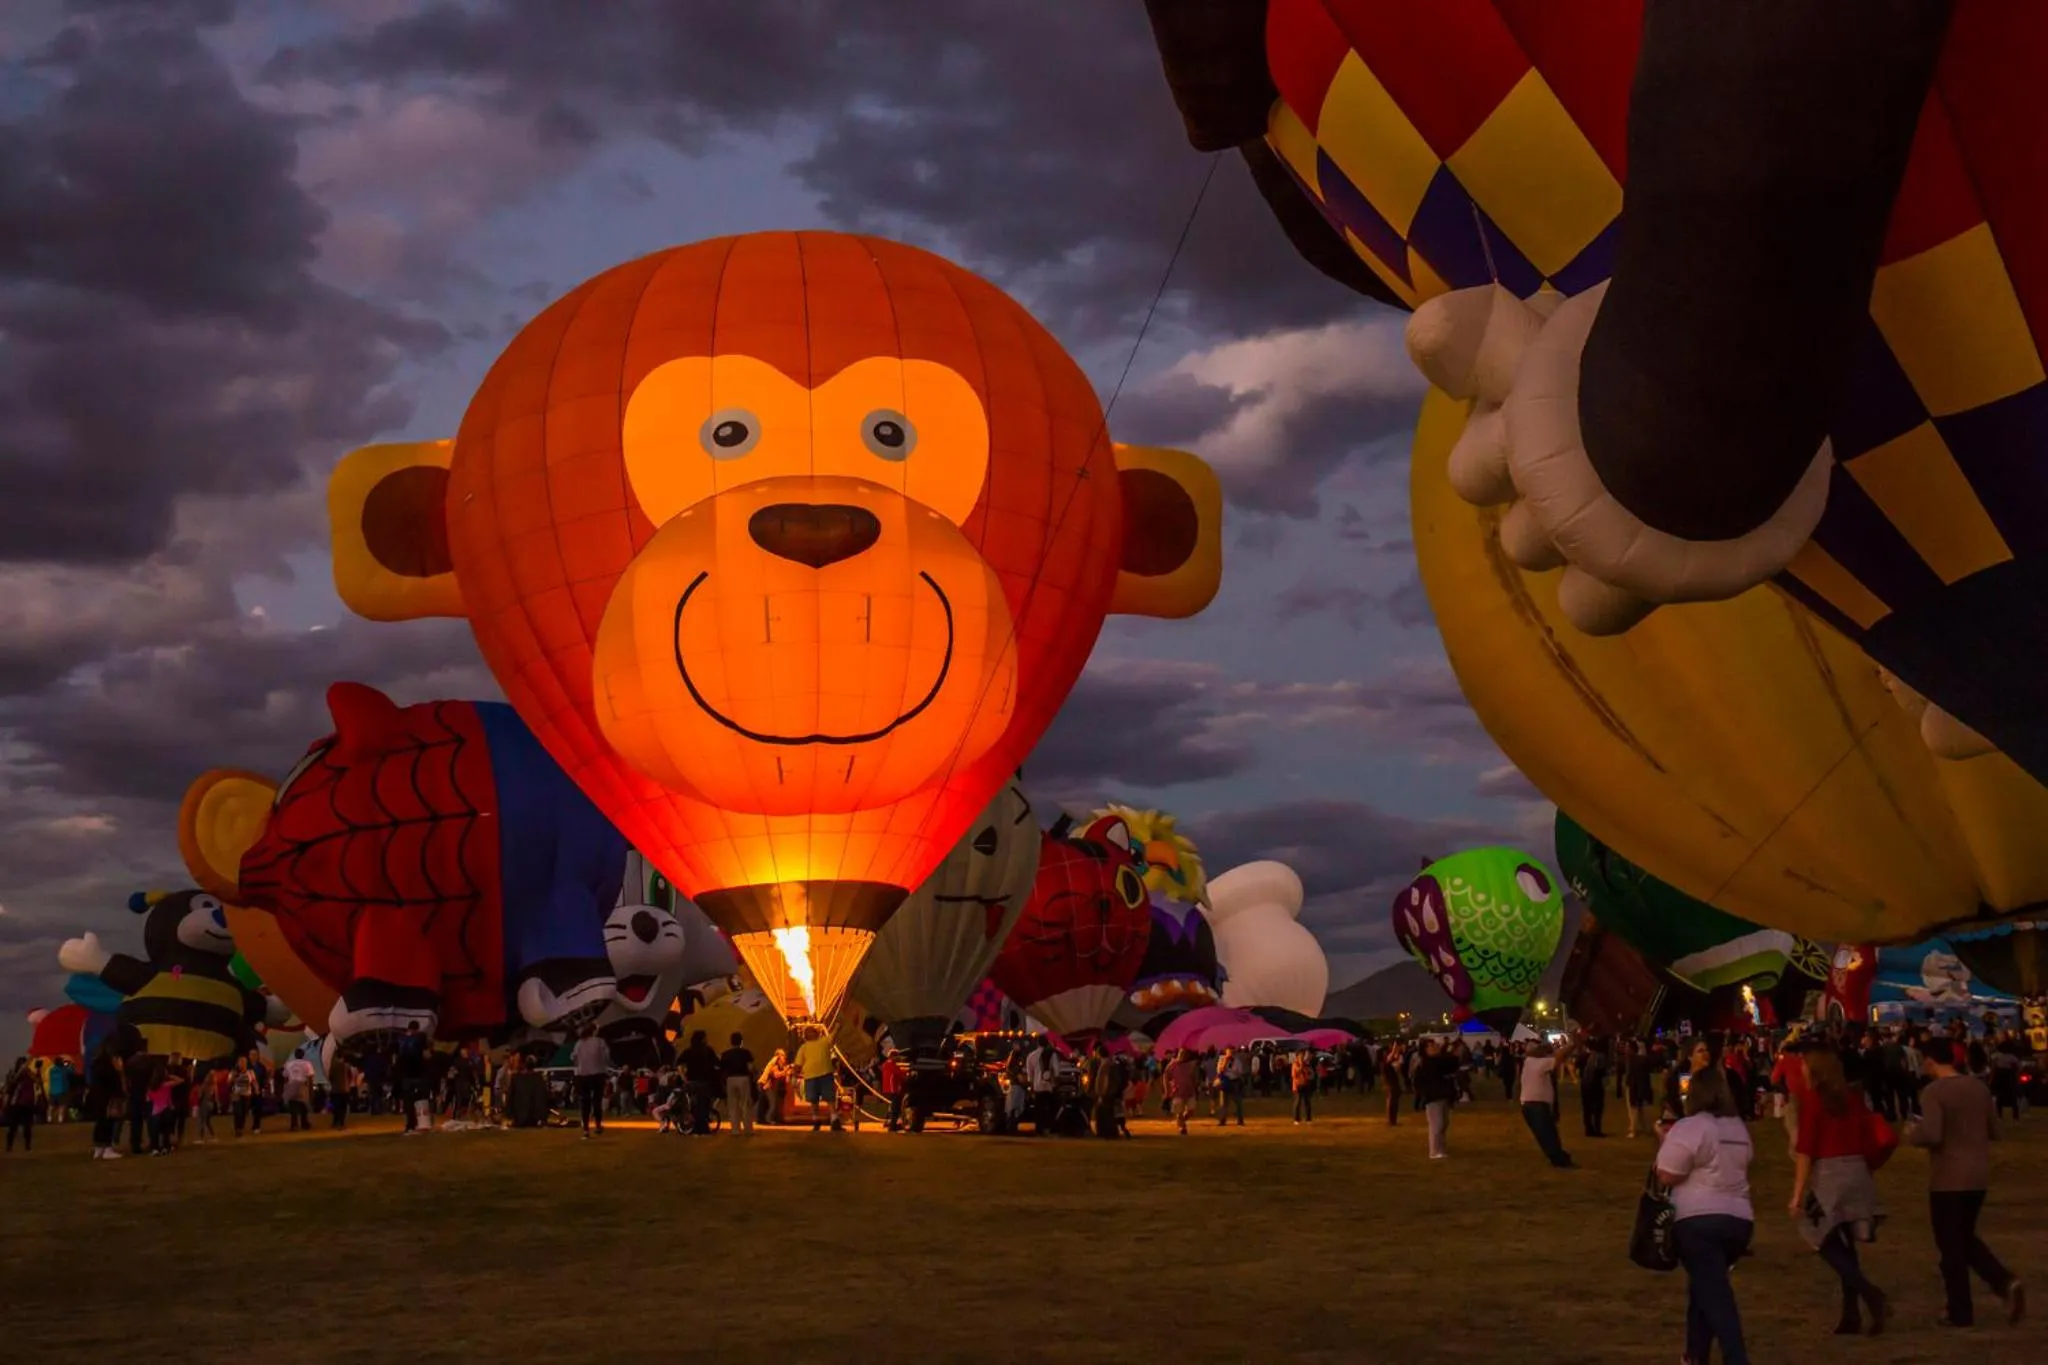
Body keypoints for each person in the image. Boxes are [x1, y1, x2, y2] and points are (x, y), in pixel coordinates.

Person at [1910, 1037, 2025, 1328]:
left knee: (1951, 1246)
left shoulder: (1934, 1092)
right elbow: (1996, 1130)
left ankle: (1961, 1309)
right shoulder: (1978, 1087)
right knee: (1963, 1238)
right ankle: (2002, 1283)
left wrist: (1913, 1133)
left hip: (1948, 1177)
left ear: (1931, 1061)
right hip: (1977, 1175)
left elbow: (1933, 1134)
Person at [1656, 1065, 1755, 1365]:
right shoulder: (1738, 1128)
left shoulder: (1692, 1127)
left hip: (1698, 1219)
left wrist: (1664, 1140)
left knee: (1715, 1296)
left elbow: (1667, 1174)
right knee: (1704, 1287)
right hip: (1738, 1218)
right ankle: (1694, 1355)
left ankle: (1736, 1358)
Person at [1789, 1047, 1890, 1336]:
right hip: (1858, 1170)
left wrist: (1797, 1195)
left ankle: (1870, 1294)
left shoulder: (1813, 1101)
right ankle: (1851, 1314)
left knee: (1819, 1234)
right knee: (1846, 1243)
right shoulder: (1853, 1098)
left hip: (1831, 1174)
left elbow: (1806, 1150)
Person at [1519, 1038, 1576, 1169]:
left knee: (1544, 1135)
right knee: (1549, 1134)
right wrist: (1572, 1044)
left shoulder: (1529, 1062)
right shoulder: (1537, 1063)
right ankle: (1559, 1160)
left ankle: (1557, 1157)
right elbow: (1559, 1057)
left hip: (1530, 1105)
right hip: (1536, 1106)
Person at [1415, 1038, 1458, 1161]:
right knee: (1437, 1125)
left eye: (1434, 1044)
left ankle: (1441, 1148)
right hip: (1433, 1097)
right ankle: (1434, 1151)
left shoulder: (1438, 1060)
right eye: (1430, 1045)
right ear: (1425, 1050)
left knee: (1443, 1124)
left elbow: (1452, 1065)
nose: (1434, 1047)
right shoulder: (1425, 1064)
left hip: (1443, 1095)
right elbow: (1419, 1082)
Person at [570, 1023, 610, 1138]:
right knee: (597, 1101)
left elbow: (573, 1057)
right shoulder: (599, 1042)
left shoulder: (579, 1043)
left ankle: (586, 1129)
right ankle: (597, 1125)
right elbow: (606, 1057)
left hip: (582, 1075)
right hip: (597, 1074)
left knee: (584, 1102)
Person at [796, 1025, 838, 1132]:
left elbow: (833, 1035)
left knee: (826, 1098)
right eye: (811, 1031)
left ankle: (832, 1120)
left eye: (813, 1031)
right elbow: (798, 1064)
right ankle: (820, 1120)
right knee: (817, 1099)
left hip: (820, 1075)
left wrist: (837, 1026)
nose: (813, 1033)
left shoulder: (822, 1042)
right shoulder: (805, 1047)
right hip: (815, 1076)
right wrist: (793, 1075)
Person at [678, 1029, 720, 1134]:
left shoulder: (688, 1051)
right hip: (704, 1082)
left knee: (693, 1106)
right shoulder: (708, 1051)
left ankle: (694, 1128)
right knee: (704, 1105)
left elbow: (679, 1063)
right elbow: (717, 1064)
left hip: (691, 1082)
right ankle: (703, 1128)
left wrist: (683, 1077)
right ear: (703, 1039)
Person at [719, 1031, 756, 1136]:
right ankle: (748, 1129)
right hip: (743, 1078)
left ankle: (735, 1129)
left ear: (731, 1042)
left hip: (730, 1079)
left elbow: (722, 1069)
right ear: (741, 1041)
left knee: (733, 1105)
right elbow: (750, 1067)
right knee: (745, 1104)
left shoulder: (725, 1054)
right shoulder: (746, 1053)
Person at [4, 1056, 39, 1152]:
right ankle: (9, 1145)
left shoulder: (29, 1075)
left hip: (28, 1104)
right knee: (13, 1127)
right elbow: (12, 1082)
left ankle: (28, 1146)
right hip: (16, 1104)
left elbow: (37, 1081)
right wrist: (21, 1071)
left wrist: (29, 1071)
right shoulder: (14, 1074)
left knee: (27, 1127)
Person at [1165, 1047, 1200, 1134]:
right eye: (1181, 1053)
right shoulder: (1172, 1064)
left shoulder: (1191, 1065)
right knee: (1179, 1111)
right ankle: (1182, 1127)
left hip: (1190, 1091)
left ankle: (1182, 1121)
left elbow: (1195, 1078)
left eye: (1185, 1054)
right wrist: (1167, 1090)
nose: (1182, 1055)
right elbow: (1166, 1076)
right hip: (1177, 1091)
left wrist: (1196, 1086)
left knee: (1191, 1110)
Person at [1579, 1037, 1609, 1137]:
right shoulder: (1601, 1056)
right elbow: (1602, 1071)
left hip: (1585, 1083)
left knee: (1587, 1108)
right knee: (1597, 1108)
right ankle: (1597, 1129)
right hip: (1595, 1083)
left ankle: (1588, 1128)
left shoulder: (1584, 1056)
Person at [281, 1050, 315, 1131]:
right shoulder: (307, 1064)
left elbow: (285, 1076)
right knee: (303, 1104)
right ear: (303, 1055)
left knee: (293, 1105)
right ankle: (304, 1123)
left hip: (292, 1083)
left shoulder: (289, 1064)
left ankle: (294, 1125)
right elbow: (310, 1076)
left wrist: (286, 1088)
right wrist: (310, 1088)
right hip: (302, 1084)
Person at [761, 1048, 792, 1125]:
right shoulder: (773, 1065)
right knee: (773, 1103)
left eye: (784, 1055)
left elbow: (786, 1077)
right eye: (783, 1055)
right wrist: (786, 1070)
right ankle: (768, 1118)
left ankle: (776, 1118)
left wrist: (789, 1071)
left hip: (775, 1088)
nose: (784, 1057)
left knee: (778, 1104)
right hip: (768, 1087)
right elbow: (776, 1075)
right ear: (778, 1057)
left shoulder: (782, 1066)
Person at [880, 1050, 908, 1131]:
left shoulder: (886, 1064)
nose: (898, 1058)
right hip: (893, 1090)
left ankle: (889, 1123)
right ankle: (892, 1126)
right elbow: (900, 1074)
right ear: (893, 1056)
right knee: (896, 1108)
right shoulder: (891, 1064)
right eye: (897, 1056)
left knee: (892, 1107)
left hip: (887, 1089)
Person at [1290, 1049, 1315, 1124]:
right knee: (1297, 1102)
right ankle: (1296, 1119)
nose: (1302, 1057)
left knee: (1307, 1102)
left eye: (1303, 1055)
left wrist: (1308, 1071)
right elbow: (1294, 1075)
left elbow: (1310, 1074)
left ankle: (1308, 1118)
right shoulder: (1295, 1064)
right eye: (1300, 1055)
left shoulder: (1306, 1064)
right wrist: (1300, 1068)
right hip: (1298, 1085)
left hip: (1305, 1084)